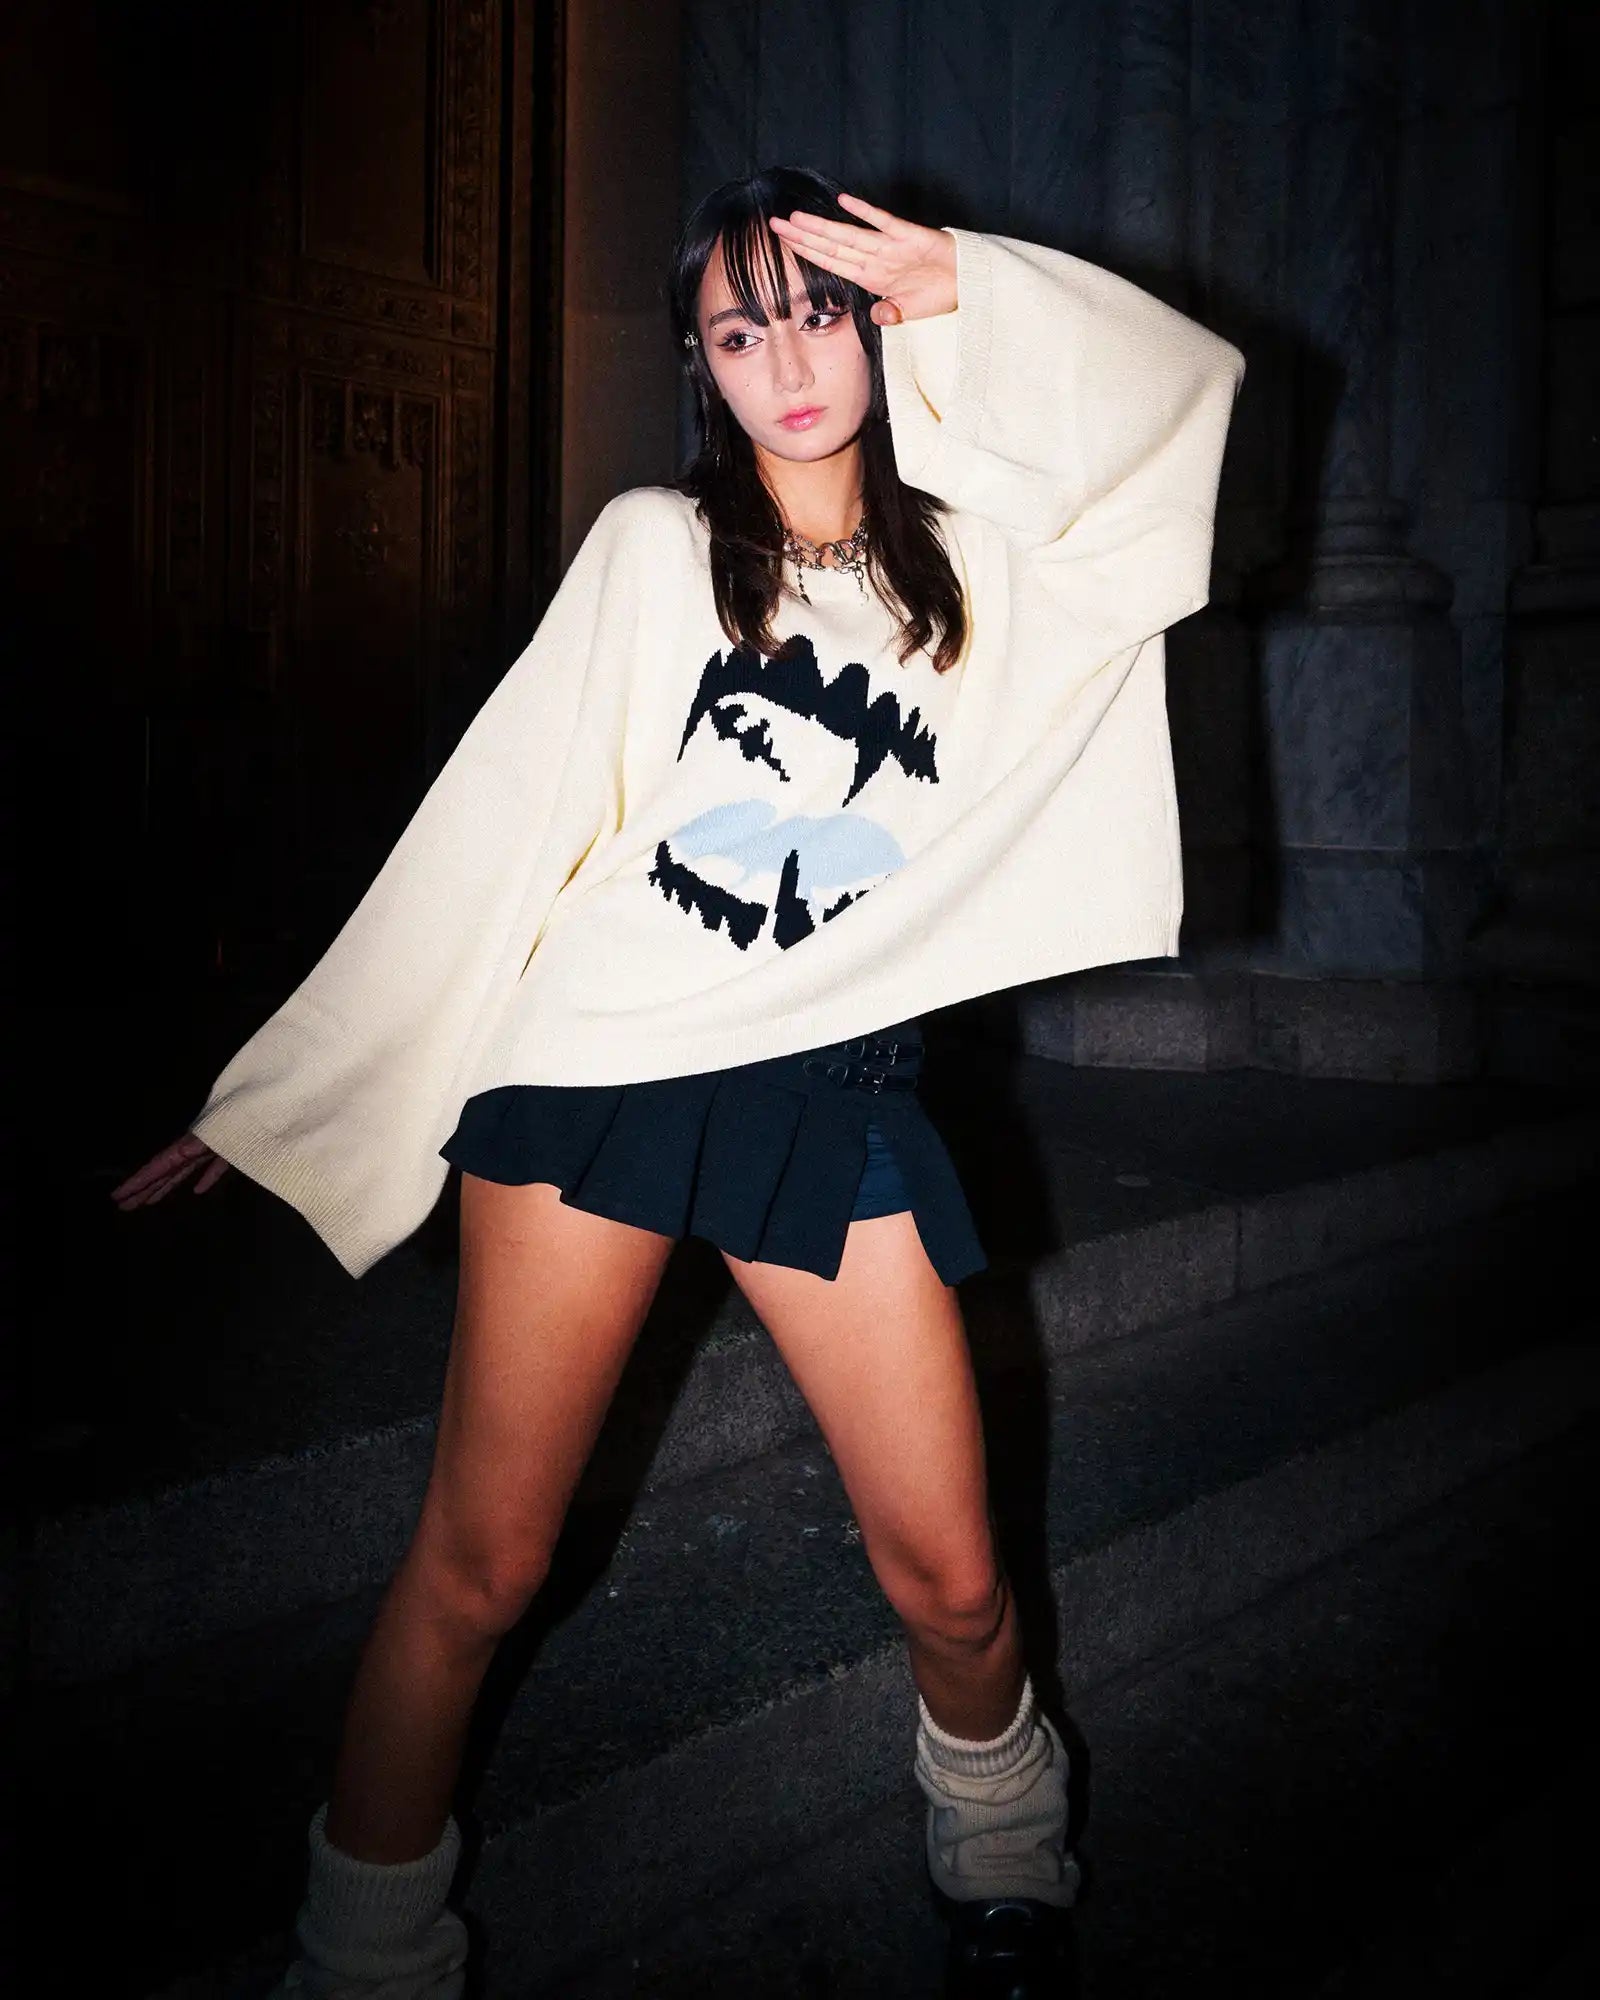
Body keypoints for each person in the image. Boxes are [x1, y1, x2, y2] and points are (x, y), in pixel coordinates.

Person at [111, 164, 1244, 1998]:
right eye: (737, 331)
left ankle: (1003, 1842)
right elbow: (499, 826)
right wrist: (283, 1095)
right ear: (697, 366)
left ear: (874, 325)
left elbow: (1183, 408)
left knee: (955, 1580)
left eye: (817, 314)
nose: (785, 366)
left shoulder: (986, 573)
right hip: (602, 1072)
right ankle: (366, 1954)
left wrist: (970, 284)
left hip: (830, 1083)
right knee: (481, 1566)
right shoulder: (655, 547)